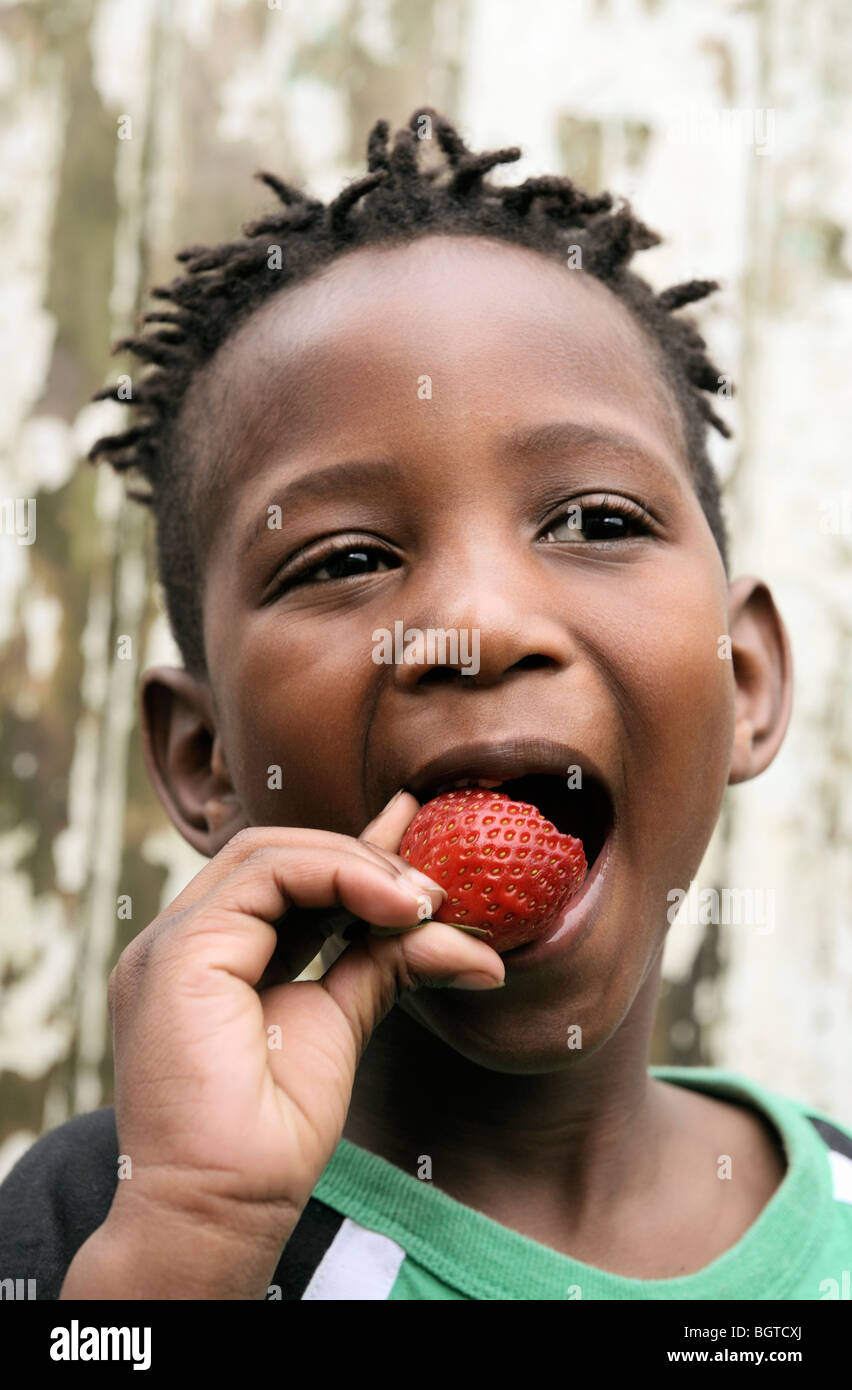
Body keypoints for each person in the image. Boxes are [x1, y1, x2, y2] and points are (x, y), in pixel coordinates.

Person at [2, 109, 850, 1301]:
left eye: (596, 522)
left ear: (746, 676)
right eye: (345, 558)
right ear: (205, 761)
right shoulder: (106, 1220)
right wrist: (190, 1240)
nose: (477, 623)